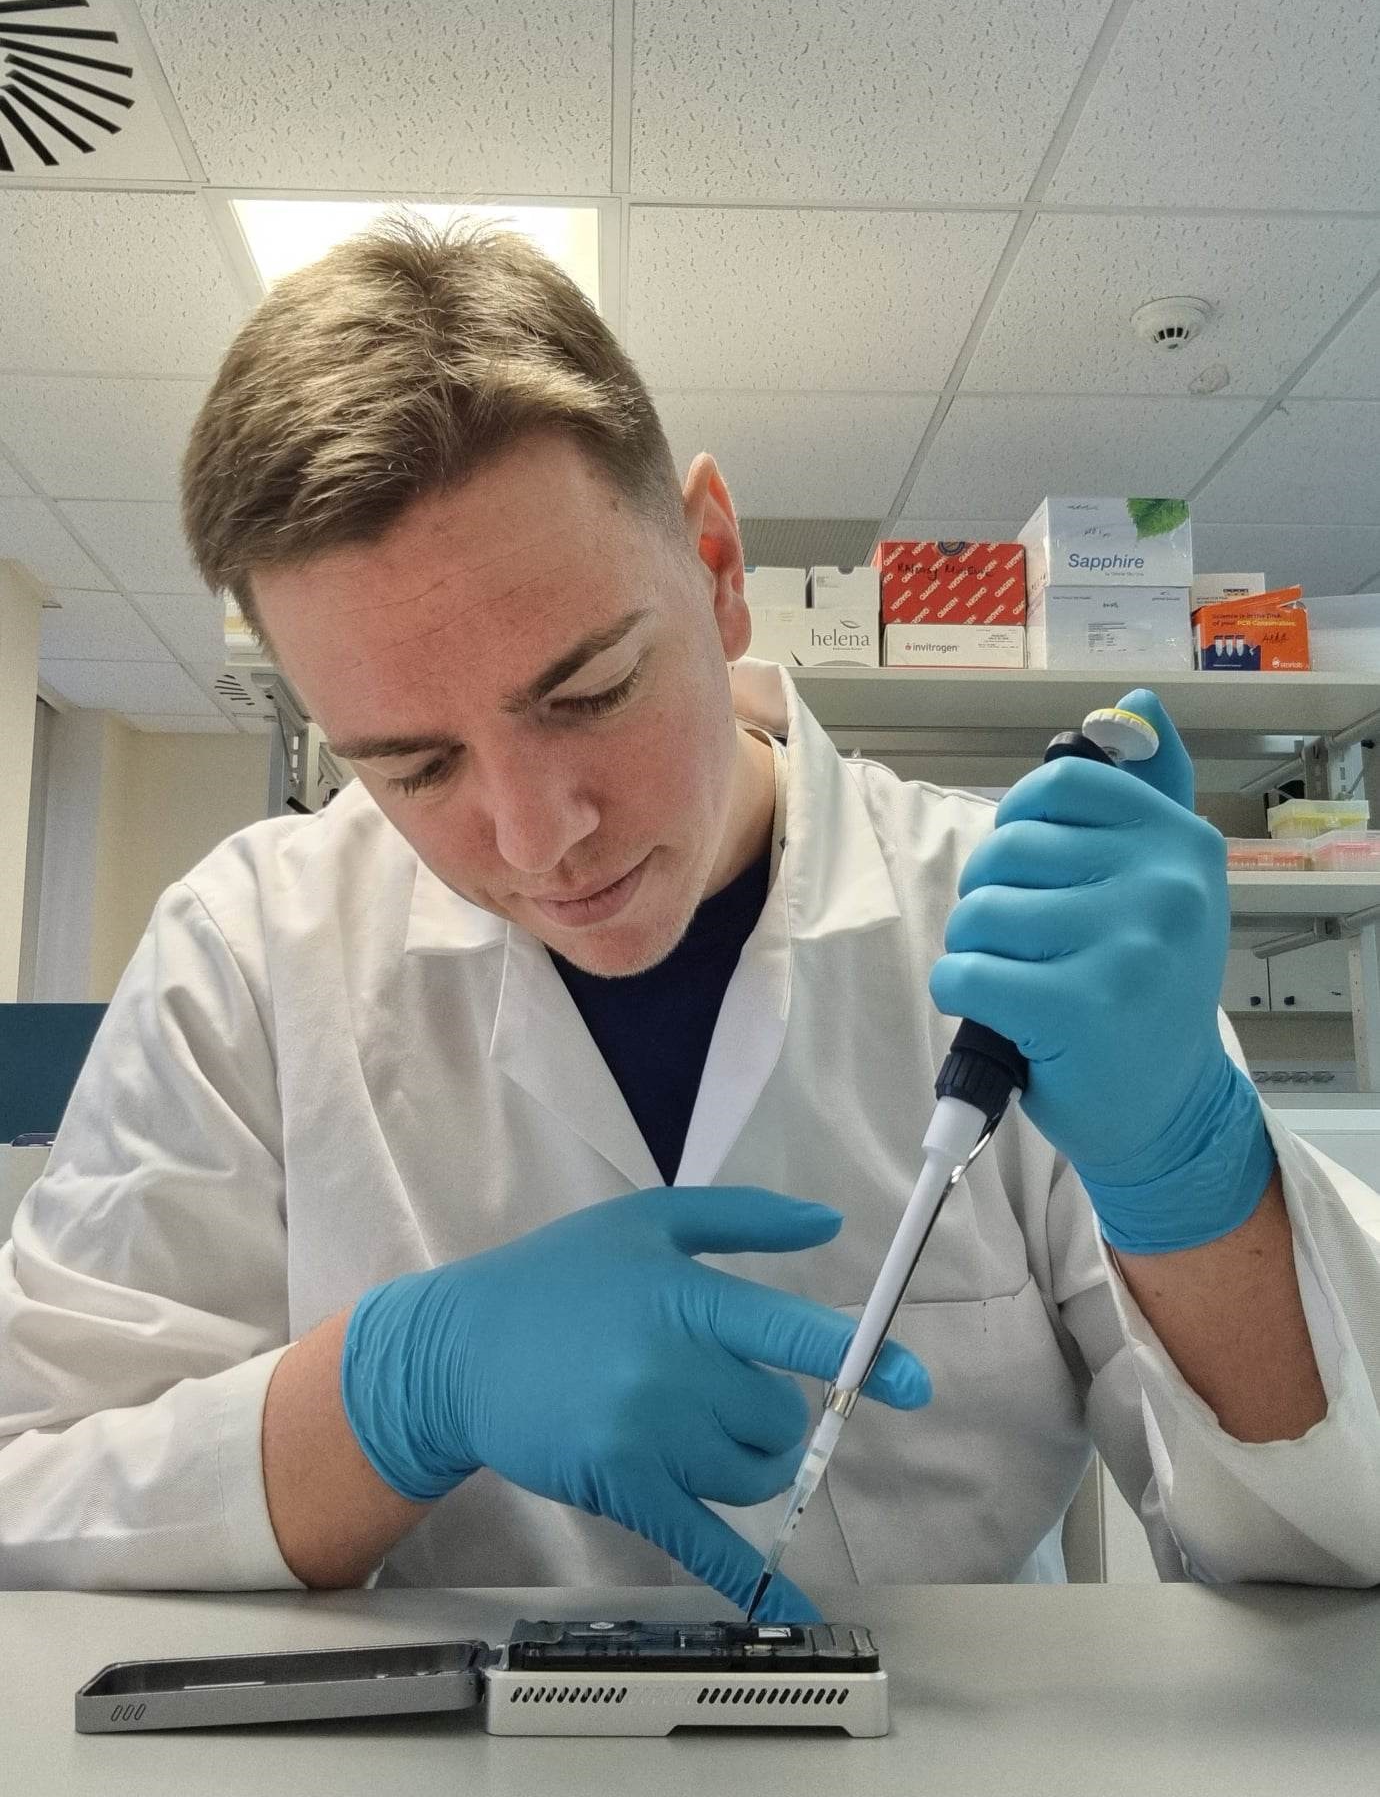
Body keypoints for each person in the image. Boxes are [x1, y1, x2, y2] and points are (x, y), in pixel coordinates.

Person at [2, 218, 1378, 1612]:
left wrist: (1194, 1179)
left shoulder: (1006, 926)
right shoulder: (246, 957)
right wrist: (388, 1394)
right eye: (414, 764)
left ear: (716, 567)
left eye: (590, 692)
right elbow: (30, 1497)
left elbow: (1335, 1555)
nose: (541, 838)